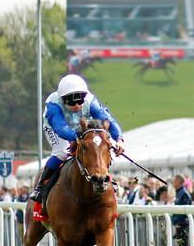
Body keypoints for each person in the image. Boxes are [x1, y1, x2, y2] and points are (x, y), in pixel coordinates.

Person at [29, 74, 125, 216]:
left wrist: (119, 139)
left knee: (98, 147)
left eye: (80, 102)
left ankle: (106, 179)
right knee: (62, 152)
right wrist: (77, 137)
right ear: (63, 100)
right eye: (72, 104)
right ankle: (41, 187)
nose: (77, 106)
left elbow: (108, 120)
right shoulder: (53, 104)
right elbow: (60, 128)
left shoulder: (91, 101)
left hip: (82, 127)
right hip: (56, 129)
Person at [171, 174, 193, 246]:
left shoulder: (184, 193)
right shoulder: (180, 192)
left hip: (183, 225)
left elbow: (183, 211)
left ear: (178, 182)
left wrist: (177, 224)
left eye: (174, 181)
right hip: (180, 224)